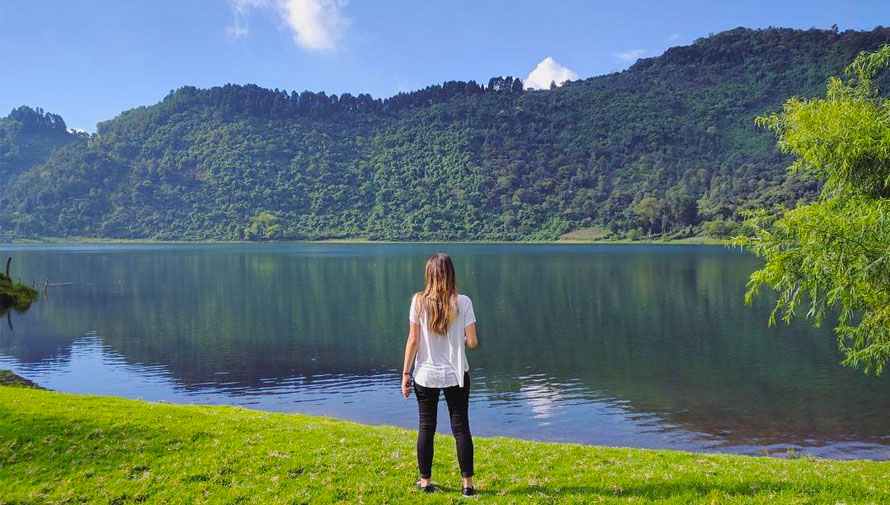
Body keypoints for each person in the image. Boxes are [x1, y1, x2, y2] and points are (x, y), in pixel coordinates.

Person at [401, 253, 478, 497]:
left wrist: (405, 373)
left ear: (429, 275)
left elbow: (413, 341)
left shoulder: (418, 301)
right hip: (456, 374)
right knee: (461, 428)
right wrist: (458, 340)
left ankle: (425, 482)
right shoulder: (463, 302)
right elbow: (473, 342)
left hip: (425, 375)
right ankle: (467, 486)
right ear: (451, 274)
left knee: (426, 427)